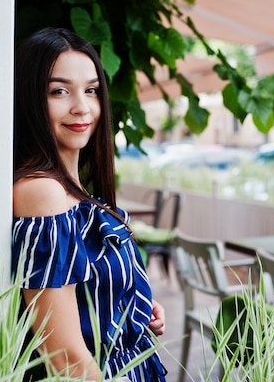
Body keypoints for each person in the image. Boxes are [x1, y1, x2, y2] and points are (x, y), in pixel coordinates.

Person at [11, 27, 167, 381]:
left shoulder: (75, 190)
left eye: (91, 90)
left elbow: (84, 295)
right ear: (30, 98)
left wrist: (131, 305)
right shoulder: (42, 193)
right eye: (59, 91)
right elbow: (64, 355)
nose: (81, 107)